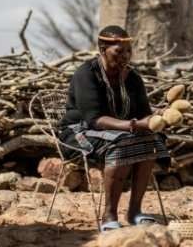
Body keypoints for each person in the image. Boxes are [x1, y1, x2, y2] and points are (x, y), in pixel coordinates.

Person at [58, 25, 169, 231]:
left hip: (119, 132)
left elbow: (144, 111)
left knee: (152, 140)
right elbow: (94, 119)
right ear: (102, 49)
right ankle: (109, 215)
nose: (125, 56)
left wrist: (156, 119)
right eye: (119, 51)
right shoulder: (87, 74)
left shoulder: (133, 77)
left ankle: (135, 211)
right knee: (122, 143)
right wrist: (134, 125)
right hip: (78, 132)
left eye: (129, 51)